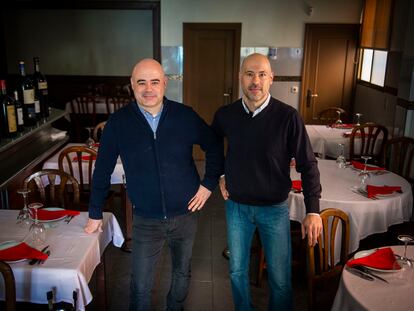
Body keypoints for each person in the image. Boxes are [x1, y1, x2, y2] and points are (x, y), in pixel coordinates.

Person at [84, 58, 222, 311]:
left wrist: (208, 184)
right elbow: (102, 170)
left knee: (182, 275)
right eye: (142, 82)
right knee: (140, 285)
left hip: (186, 213)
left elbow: (214, 145)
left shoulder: (185, 116)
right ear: (132, 85)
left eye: (155, 82)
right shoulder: (118, 123)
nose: (149, 89)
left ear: (165, 84)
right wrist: (94, 212)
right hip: (146, 219)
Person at [211, 53, 322, 311]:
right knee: (237, 271)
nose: (255, 81)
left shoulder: (288, 117)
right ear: (240, 78)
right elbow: (212, 142)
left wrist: (313, 209)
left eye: (262, 74)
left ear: (271, 79)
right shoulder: (226, 115)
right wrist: (221, 174)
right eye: (249, 74)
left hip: (274, 209)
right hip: (236, 207)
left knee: (280, 279)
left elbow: (308, 164)